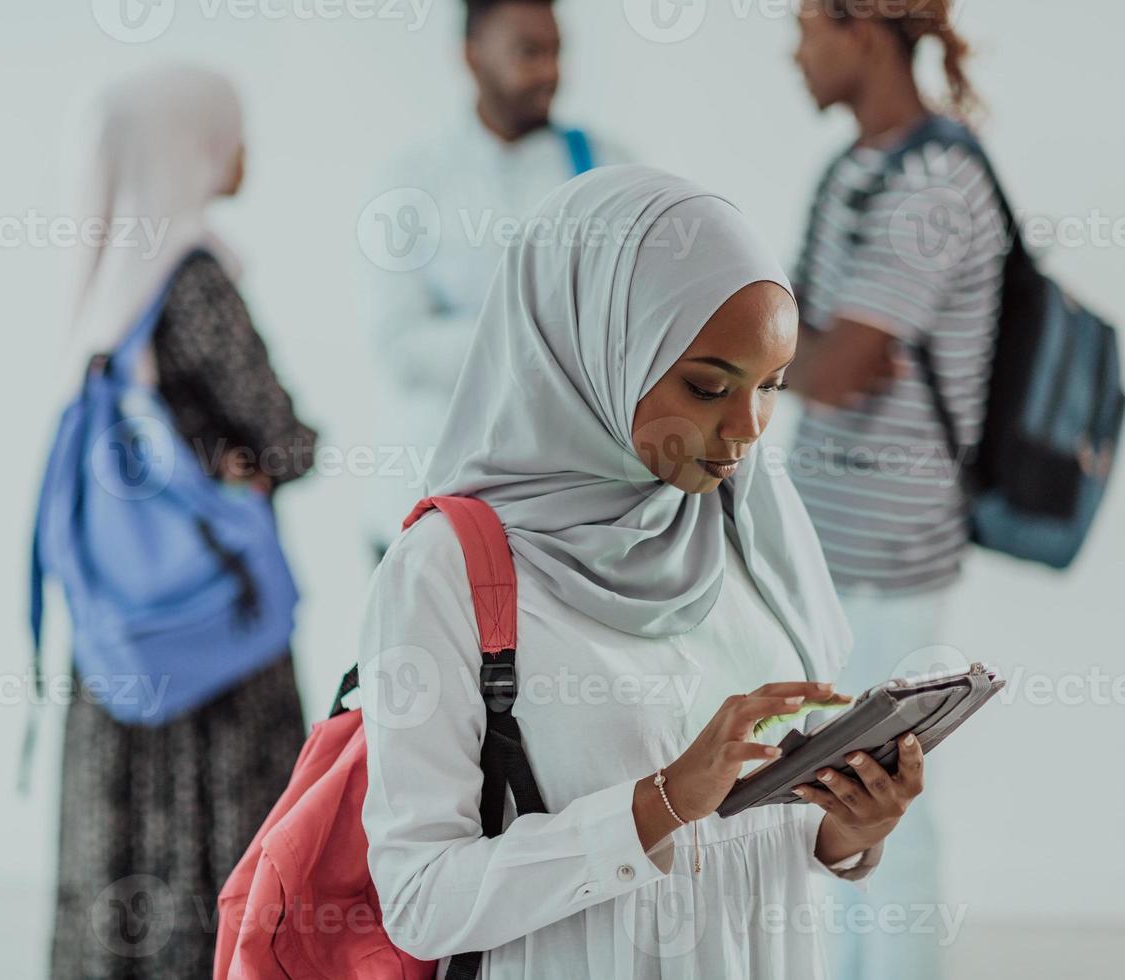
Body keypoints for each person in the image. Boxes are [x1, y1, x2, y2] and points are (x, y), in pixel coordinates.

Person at [359, 165, 931, 978]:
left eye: (771, 386)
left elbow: (772, 834)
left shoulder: (746, 524)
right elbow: (420, 900)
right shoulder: (444, 571)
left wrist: (850, 832)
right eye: (707, 387)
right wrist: (655, 806)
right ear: (594, 344)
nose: (746, 432)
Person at [49, 66, 316, 980]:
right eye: (231, 131)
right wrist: (250, 462)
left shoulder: (103, 287)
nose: (244, 151)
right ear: (190, 147)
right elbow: (284, 437)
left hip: (127, 641)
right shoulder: (194, 277)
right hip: (216, 646)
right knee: (230, 865)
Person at [784, 2, 1005, 977]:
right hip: (824, 545)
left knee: (887, 809)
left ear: (862, 33)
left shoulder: (937, 180)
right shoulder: (851, 171)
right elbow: (812, 346)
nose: (793, 51)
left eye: (805, 27)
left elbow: (835, 366)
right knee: (819, 811)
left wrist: (747, 354)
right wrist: (802, 350)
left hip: (891, 552)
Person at [360, 0, 631, 558]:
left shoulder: (608, 170)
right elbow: (399, 345)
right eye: (530, 52)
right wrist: (535, 340)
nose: (551, 71)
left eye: (557, 51)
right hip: (433, 494)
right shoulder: (412, 181)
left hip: (568, 508)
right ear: (471, 56)